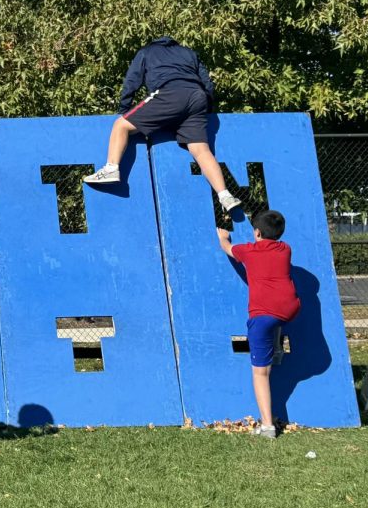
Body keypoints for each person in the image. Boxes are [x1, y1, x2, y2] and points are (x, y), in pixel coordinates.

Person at [83, 36, 242, 212]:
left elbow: (132, 81)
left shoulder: (146, 52)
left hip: (170, 91)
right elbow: (207, 83)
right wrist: (207, 109)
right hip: (198, 97)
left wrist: (124, 109)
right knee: (201, 150)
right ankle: (224, 195)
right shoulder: (188, 53)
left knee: (120, 125)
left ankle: (111, 168)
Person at [217, 210, 301, 438]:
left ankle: (267, 426)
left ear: (256, 232)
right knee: (274, 328)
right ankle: (275, 348)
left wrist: (223, 235)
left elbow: (227, 248)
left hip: (263, 316)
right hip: (289, 309)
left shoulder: (248, 251)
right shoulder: (285, 250)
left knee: (261, 372)